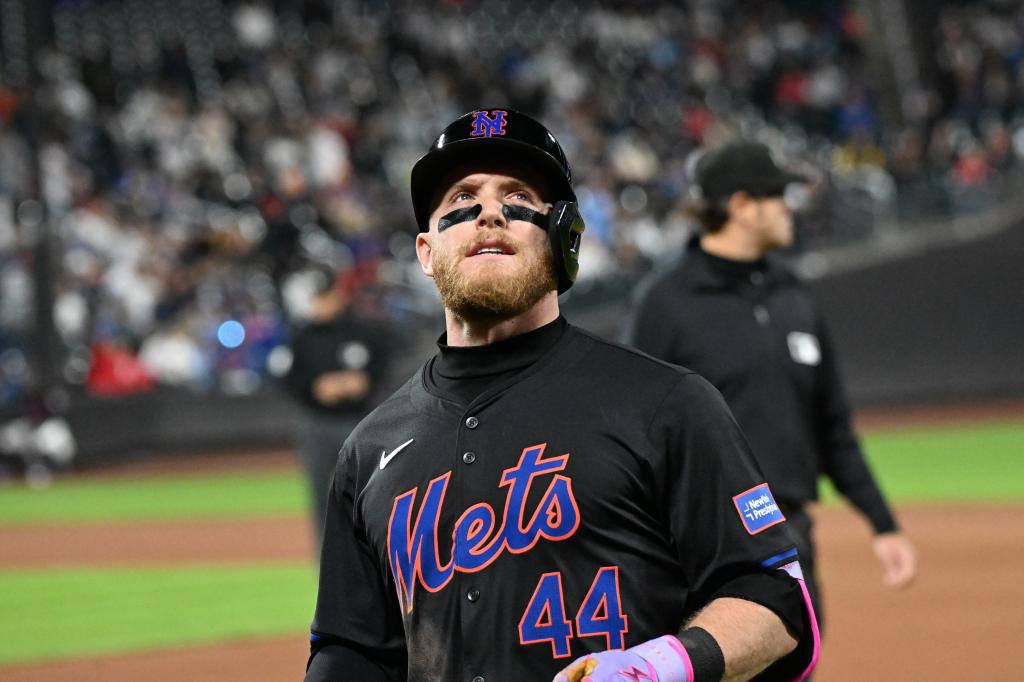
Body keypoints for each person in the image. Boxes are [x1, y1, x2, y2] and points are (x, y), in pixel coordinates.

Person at [304, 110, 819, 682]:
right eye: (461, 199)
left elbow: (777, 596)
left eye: (519, 196)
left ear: (562, 237)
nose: (489, 211)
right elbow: (351, 650)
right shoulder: (368, 449)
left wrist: (661, 665)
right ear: (427, 252)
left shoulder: (667, 403)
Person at [625, 140, 917, 634]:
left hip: (789, 535)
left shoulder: (793, 295)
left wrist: (882, 522)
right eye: (778, 196)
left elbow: (832, 424)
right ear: (741, 206)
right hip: (702, 544)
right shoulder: (664, 304)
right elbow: (631, 429)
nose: (790, 207)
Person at [283, 266, 392, 544]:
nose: (318, 304)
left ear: (338, 294)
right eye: (315, 298)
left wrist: (365, 382)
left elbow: (386, 366)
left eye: (324, 296)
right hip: (317, 423)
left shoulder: (364, 329)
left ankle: (372, 550)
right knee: (321, 496)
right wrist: (315, 389)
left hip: (357, 422)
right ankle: (327, 559)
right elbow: (290, 380)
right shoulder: (303, 337)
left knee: (368, 491)